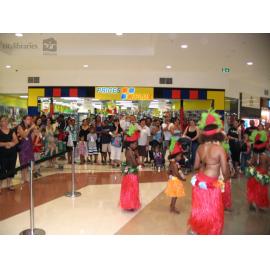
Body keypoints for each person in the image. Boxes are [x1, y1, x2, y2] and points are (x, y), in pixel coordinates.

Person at [188, 109, 230, 235]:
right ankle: (209, 230)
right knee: (212, 209)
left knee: (200, 207)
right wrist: (226, 180)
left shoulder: (200, 147)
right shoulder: (219, 149)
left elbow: (195, 166)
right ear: (217, 134)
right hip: (211, 183)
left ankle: (197, 228)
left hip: (200, 180)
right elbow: (225, 170)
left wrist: (204, 164)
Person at [246, 130, 270, 211]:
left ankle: (251, 204)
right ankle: (259, 206)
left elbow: (250, 163)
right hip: (263, 175)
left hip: (255, 174)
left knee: (253, 190)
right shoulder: (266, 157)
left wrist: (249, 162)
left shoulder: (255, 156)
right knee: (261, 192)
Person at [165, 139, 185, 213]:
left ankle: (172, 205)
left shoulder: (173, 162)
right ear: (175, 156)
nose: (180, 157)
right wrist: (182, 179)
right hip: (175, 181)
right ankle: (172, 207)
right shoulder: (174, 164)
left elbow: (168, 171)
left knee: (175, 195)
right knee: (175, 195)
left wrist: (170, 174)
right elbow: (176, 173)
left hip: (173, 180)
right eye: (179, 156)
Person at [120, 140, 141, 211]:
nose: (136, 145)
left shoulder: (128, 151)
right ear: (130, 144)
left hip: (129, 172)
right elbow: (134, 164)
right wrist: (138, 159)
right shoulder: (130, 152)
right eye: (135, 144)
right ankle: (130, 204)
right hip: (131, 173)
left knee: (129, 189)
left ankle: (128, 204)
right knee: (131, 189)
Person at [0, 116, 18, 193]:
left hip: (12, 153)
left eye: (6, 120)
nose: (5, 122)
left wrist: (11, 144)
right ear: (0, 122)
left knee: (11, 168)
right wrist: (5, 144)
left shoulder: (11, 131)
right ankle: (0, 186)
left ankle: (9, 184)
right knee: (2, 169)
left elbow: (16, 140)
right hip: (2, 154)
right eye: (3, 120)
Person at [17, 115, 35, 185]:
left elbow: (32, 139)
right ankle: (22, 178)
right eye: (28, 119)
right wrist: (30, 128)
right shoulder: (20, 126)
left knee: (28, 163)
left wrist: (34, 131)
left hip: (29, 147)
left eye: (30, 119)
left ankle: (26, 177)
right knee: (23, 163)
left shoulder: (29, 127)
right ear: (24, 120)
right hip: (23, 147)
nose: (29, 121)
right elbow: (24, 135)